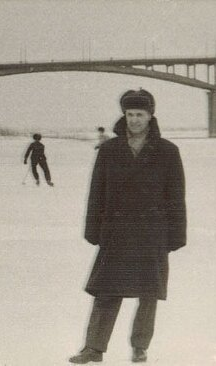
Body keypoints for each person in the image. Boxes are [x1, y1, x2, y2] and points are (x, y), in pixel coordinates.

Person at [69, 89, 186, 364]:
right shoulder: (109, 149)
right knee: (107, 290)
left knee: (148, 294)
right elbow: (97, 191)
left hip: (152, 231)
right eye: (130, 114)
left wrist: (176, 234)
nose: (134, 120)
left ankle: (140, 346)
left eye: (140, 114)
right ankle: (93, 348)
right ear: (124, 115)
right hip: (117, 231)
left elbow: (176, 196)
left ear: (150, 116)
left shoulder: (168, 151)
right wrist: (93, 229)